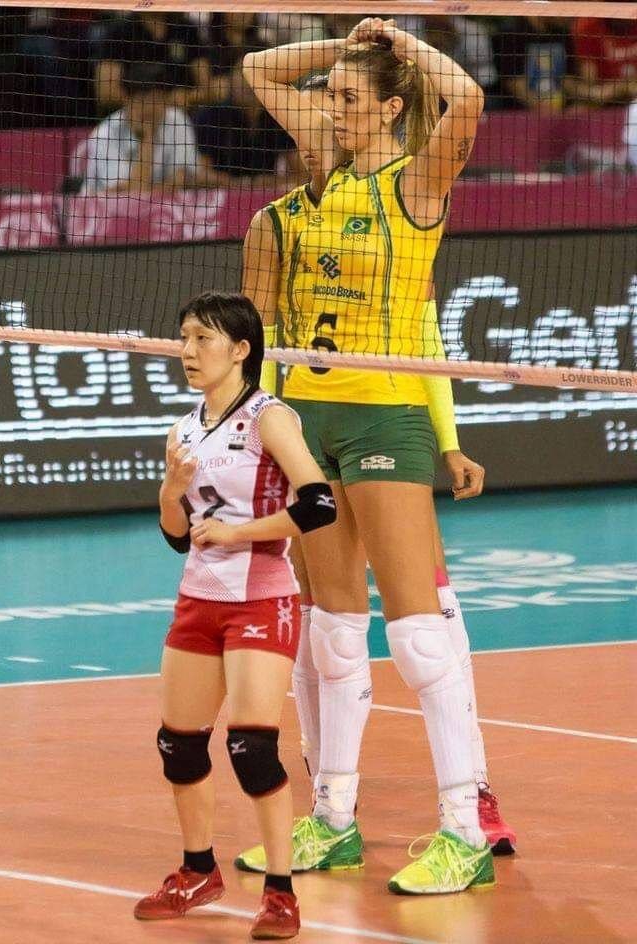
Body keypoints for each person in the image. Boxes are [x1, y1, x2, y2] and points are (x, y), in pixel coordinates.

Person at [235, 17, 502, 895]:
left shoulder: (416, 179)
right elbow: (259, 69)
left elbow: (466, 99)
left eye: (350, 99)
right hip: (310, 419)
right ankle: (334, 818)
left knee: (418, 633)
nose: (331, 110)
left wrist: (400, 44)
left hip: (386, 418)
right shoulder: (322, 171)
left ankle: (463, 829)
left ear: (390, 109)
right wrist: (344, 50)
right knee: (332, 633)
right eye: (330, 100)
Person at [134, 291, 336, 940]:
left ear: (241, 349)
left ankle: (280, 893)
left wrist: (241, 533)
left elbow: (319, 504)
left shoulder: (269, 418)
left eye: (203, 338)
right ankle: (198, 871)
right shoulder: (183, 429)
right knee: (178, 744)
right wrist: (170, 494)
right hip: (198, 600)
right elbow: (177, 536)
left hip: (261, 598)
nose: (188, 351)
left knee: (251, 748)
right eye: (184, 337)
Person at [79, 61, 229, 194]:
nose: (150, 108)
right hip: (101, 212)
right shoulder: (105, 134)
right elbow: (131, 195)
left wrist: (168, 185)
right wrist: (147, 138)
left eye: (156, 100)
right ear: (127, 99)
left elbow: (183, 179)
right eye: (142, 100)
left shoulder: (177, 121)